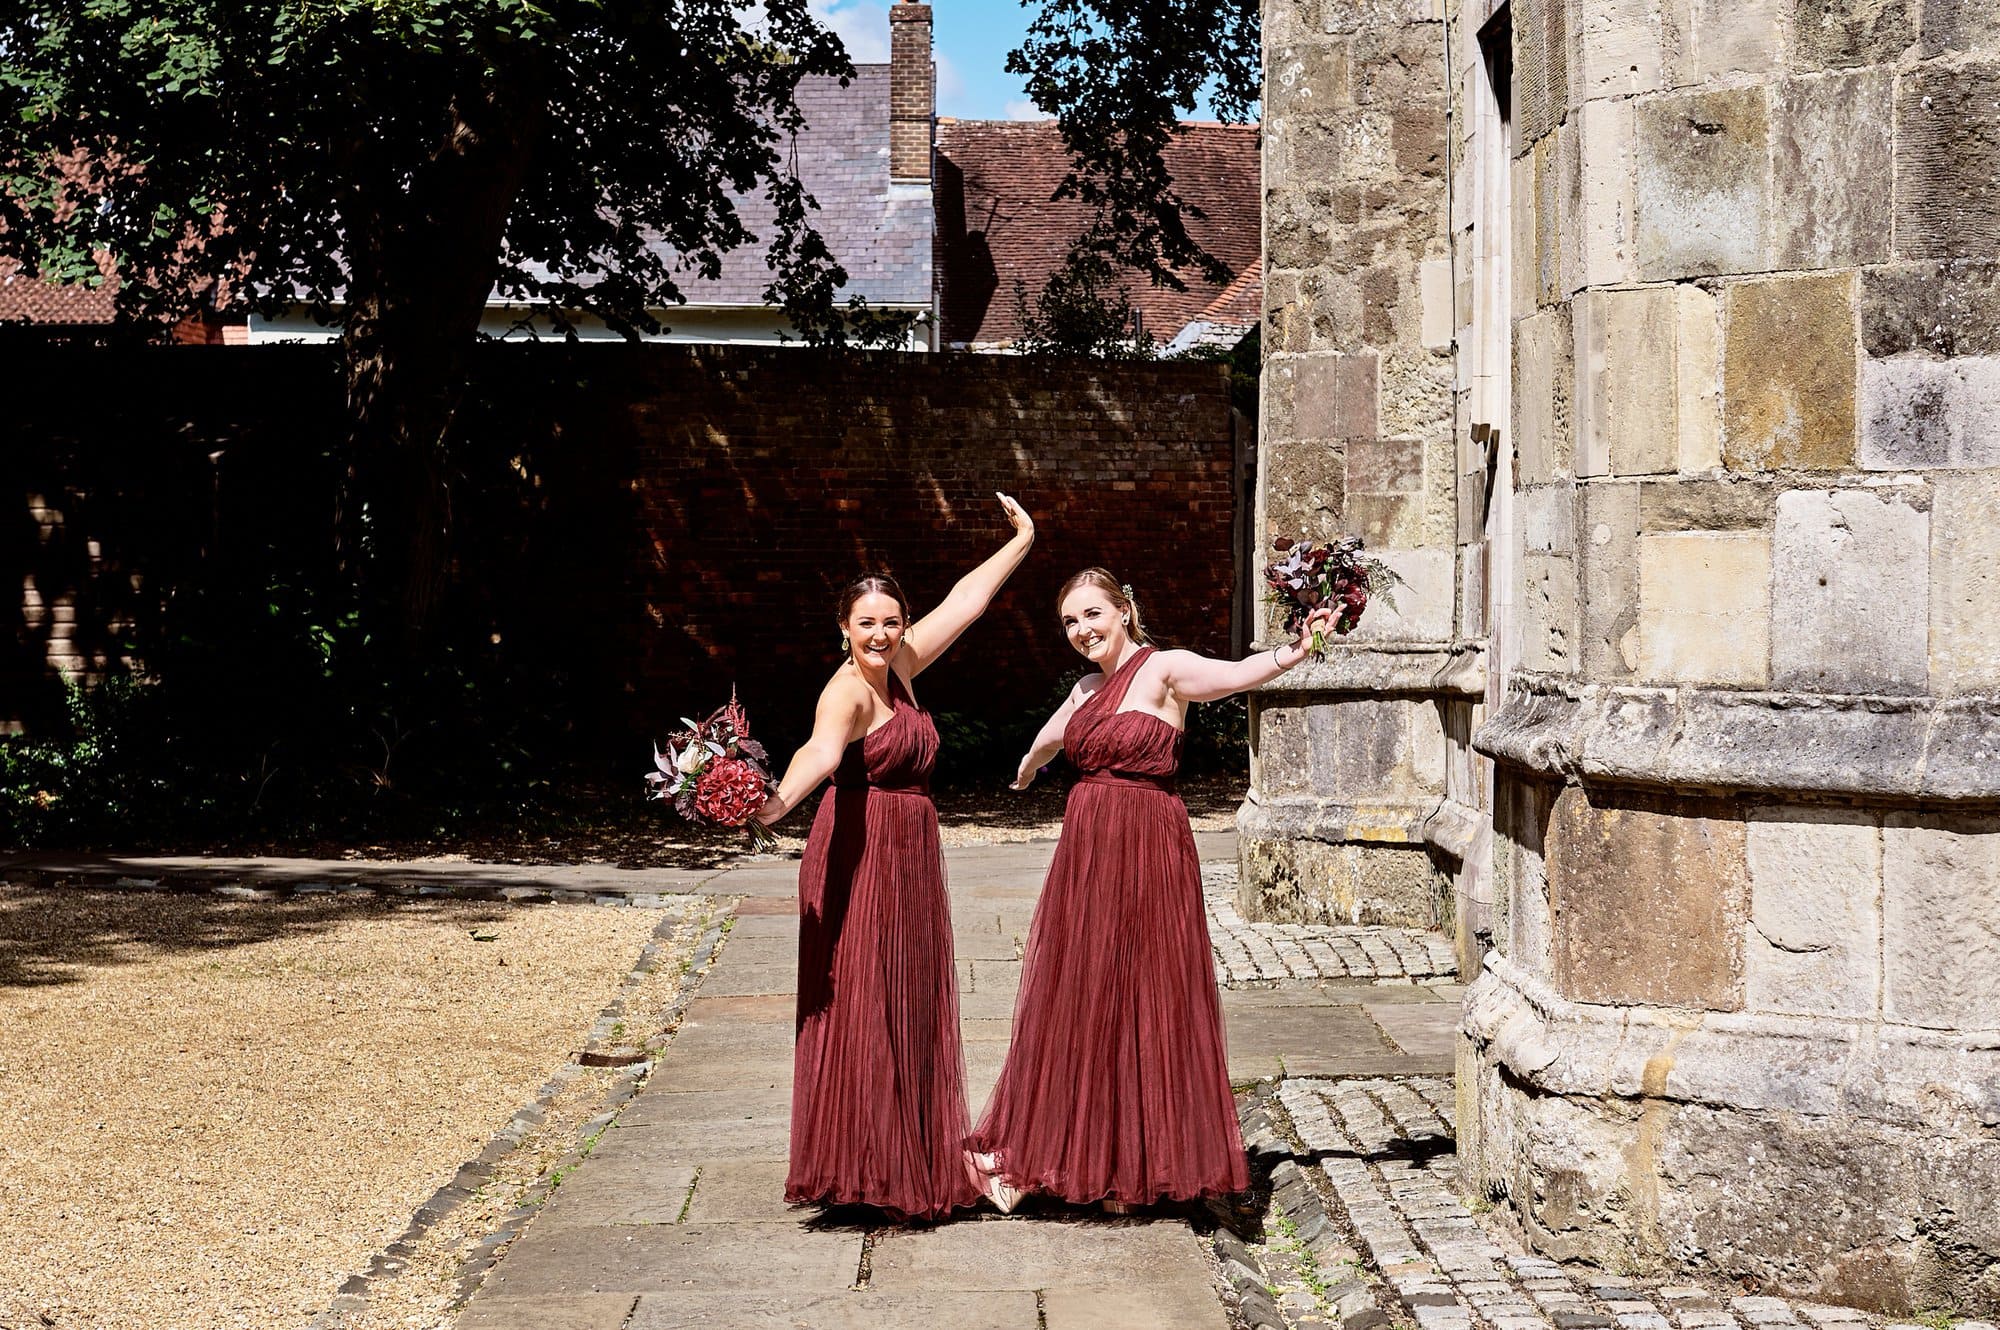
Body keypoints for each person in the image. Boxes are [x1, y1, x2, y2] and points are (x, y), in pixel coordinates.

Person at [967, 568, 1335, 1213]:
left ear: (1125, 609)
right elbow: (1052, 737)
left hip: (1148, 844)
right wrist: (1026, 771)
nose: (1082, 630)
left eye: (1092, 615)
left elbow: (1235, 677)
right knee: (1081, 988)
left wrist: (1298, 649)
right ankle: (1080, 1152)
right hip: (1087, 852)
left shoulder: (1165, 669)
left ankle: (1135, 1165)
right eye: (1071, 622)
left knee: (1141, 988)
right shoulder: (1087, 687)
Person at [754, 493, 1035, 1221]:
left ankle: (899, 1152)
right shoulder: (847, 691)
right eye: (865, 625)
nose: (879, 635)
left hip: (909, 854)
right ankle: (861, 1165)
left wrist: (1023, 540)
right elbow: (819, 752)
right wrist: (777, 806)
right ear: (842, 629)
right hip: (860, 852)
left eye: (890, 622)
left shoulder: (903, 664)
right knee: (863, 999)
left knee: (906, 998)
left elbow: (966, 602)